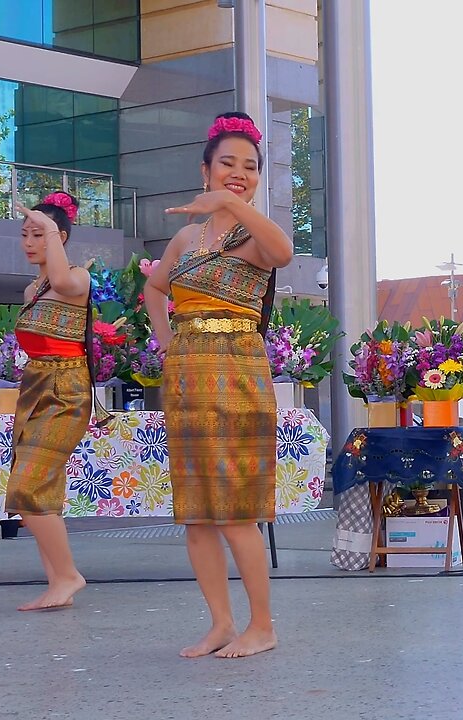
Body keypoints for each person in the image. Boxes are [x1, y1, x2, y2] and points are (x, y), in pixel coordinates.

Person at [144, 112, 293, 659]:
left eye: (250, 167)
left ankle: (263, 625)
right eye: (227, 163)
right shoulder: (185, 236)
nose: (239, 173)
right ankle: (221, 622)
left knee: (234, 508)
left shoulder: (250, 231)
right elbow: (155, 290)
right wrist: (166, 342)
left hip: (236, 374)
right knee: (198, 513)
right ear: (204, 168)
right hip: (186, 378)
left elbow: (282, 254)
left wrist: (232, 205)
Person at [4, 191, 90, 611]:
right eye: (25, 234)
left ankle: (69, 575)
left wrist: (51, 231)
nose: (29, 242)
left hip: (66, 391)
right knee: (38, 488)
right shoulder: (29, 290)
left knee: (28, 486)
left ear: (62, 236)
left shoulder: (75, 280)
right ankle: (58, 580)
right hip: (36, 387)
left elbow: (60, 282)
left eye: (39, 234)